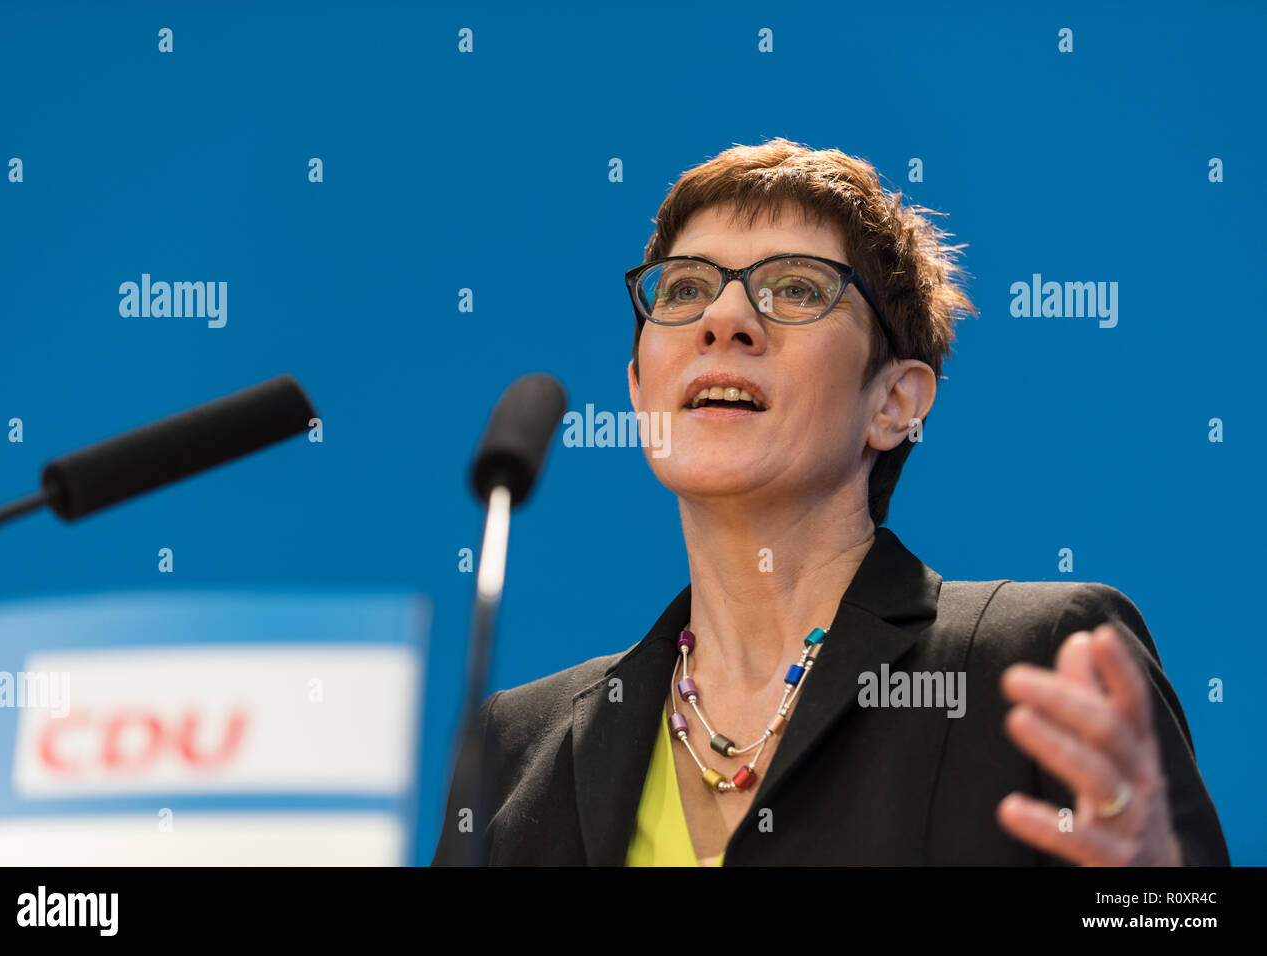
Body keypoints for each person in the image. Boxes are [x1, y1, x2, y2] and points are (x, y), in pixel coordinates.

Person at [431, 138, 1229, 866]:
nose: (725, 320)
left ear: (895, 403)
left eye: (796, 288)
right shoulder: (520, 747)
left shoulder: (1038, 662)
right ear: (640, 390)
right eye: (683, 289)